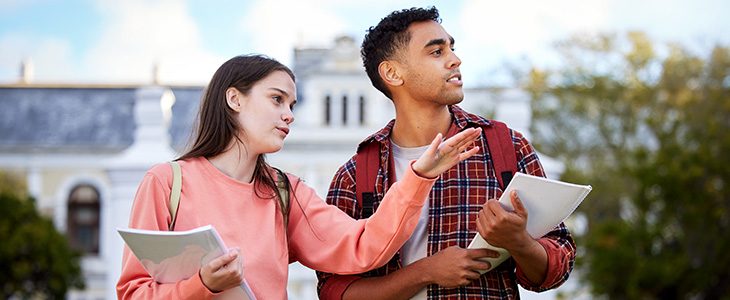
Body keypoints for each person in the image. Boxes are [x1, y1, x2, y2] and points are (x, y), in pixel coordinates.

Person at [116, 54, 483, 299]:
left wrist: (419, 176)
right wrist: (201, 285)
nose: (289, 114)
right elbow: (133, 293)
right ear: (234, 99)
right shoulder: (167, 182)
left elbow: (363, 246)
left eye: (292, 104)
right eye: (277, 100)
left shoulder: (285, 192)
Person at [316, 6, 577, 299]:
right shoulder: (355, 175)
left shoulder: (506, 146)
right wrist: (425, 272)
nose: (455, 59)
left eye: (451, 47)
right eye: (436, 52)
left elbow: (559, 264)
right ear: (392, 72)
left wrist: (519, 243)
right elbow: (333, 291)